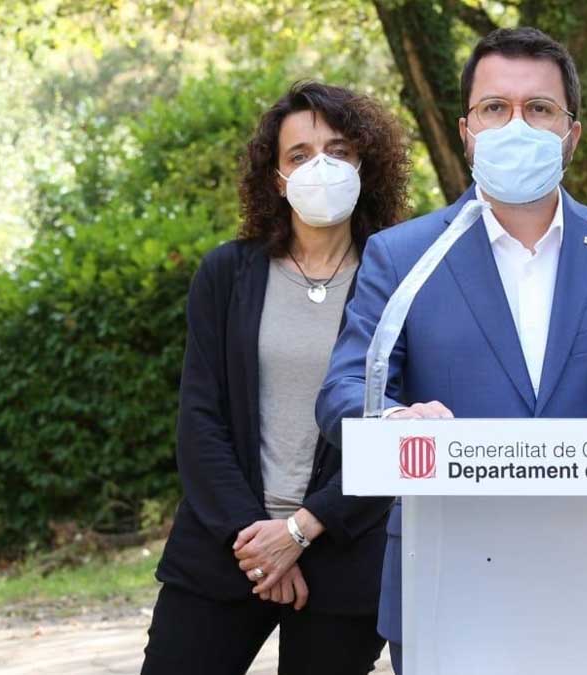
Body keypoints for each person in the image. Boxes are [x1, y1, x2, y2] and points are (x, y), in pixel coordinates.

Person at [316, 27, 587, 674]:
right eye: (496, 108)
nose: (516, 124)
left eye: (539, 108)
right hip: (444, 578)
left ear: (572, 132)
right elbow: (346, 388)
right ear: (467, 130)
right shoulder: (403, 256)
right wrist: (390, 420)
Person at [142, 81, 410, 675]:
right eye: (300, 155)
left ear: (367, 164)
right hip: (227, 549)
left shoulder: (400, 284)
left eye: (339, 151)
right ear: (276, 176)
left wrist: (302, 530)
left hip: (344, 551)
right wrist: (261, 543)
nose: (321, 166)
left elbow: (396, 434)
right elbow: (200, 420)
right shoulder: (226, 274)